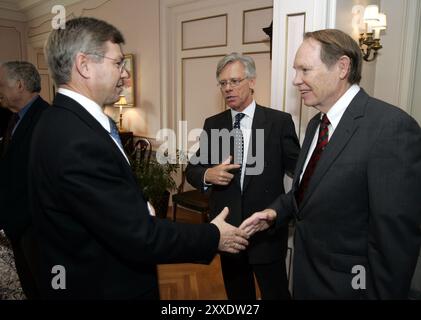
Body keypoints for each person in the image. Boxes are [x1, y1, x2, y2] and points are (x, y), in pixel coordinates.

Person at [28, 17, 249, 299]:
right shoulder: (77, 139)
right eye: (118, 63)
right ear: (84, 65)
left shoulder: (58, 121)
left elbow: (99, 207)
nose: (126, 75)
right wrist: (213, 236)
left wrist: (135, 207)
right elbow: (139, 236)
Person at [240, 29, 421, 299]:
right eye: (295, 70)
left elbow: (394, 244)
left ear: (342, 67)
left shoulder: (391, 128)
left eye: (305, 70)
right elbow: (307, 191)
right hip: (307, 279)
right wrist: (274, 213)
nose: (295, 80)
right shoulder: (317, 124)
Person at [186, 53, 300, 300]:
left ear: (252, 81)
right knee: (238, 298)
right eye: (223, 83)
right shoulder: (213, 124)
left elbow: (302, 173)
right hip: (228, 233)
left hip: (266, 232)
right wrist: (208, 173)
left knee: (277, 294)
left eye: (235, 81)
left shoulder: (279, 122)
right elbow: (191, 170)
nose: (228, 88)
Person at [0, 61, 50, 299]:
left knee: (45, 286)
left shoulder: (46, 118)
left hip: (36, 226)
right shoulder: (14, 118)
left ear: (19, 85)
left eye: (2, 84)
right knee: (29, 284)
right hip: (17, 223)